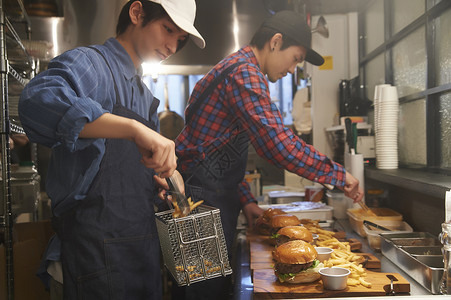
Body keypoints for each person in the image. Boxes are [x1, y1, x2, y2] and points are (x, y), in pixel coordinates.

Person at [19, 0, 205, 299]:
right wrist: (132, 129)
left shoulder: (144, 95)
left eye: (180, 40)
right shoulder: (93, 65)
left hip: (139, 254)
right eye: (168, 30)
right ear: (136, 13)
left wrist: (166, 183)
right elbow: (37, 102)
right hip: (92, 257)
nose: (171, 46)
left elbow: (137, 170)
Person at [175, 10, 364, 299]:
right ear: (276, 42)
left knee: (210, 286)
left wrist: (246, 200)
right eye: (295, 58)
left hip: (208, 198)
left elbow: (217, 149)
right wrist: (339, 175)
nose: (292, 69)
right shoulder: (244, 73)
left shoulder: (241, 69)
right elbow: (277, 144)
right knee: (203, 291)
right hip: (200, 203)